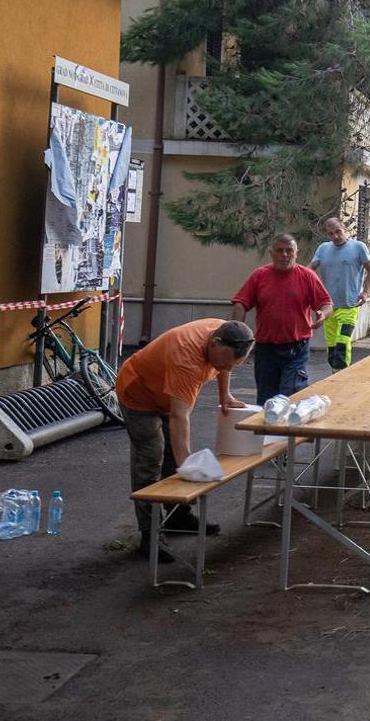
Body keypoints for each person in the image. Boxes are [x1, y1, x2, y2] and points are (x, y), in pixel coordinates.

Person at [115, 318, 254, 557]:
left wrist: (226, 395)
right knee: (151, 458)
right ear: (213, 344)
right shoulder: (187, 358)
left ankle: (177, 516)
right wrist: (187, 465)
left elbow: (222, 367)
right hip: (139, 394)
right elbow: (180, 417)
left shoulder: (227, 334)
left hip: (168, 394)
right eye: (225, 362)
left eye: (234, 365)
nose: (227, 369)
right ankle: (150, 536)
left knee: (171, 455)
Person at [232, 233, 332, 404]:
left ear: (296, 253)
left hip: (296, 349)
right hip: (266, 349)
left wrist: (323, 314)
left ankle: (289, 430)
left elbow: (326, 303)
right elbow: (241, 302)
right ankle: (267, 431)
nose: (284, 255)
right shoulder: (259, 276)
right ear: (271, 253)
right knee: (266, 399)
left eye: (289, 251)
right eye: (280, 251)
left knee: (290, 394)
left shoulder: (307, 276)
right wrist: (236, 330)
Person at [310, 215, 370, 370]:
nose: (335, 236)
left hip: (350, 304)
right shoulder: (323, 248)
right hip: (329, 307)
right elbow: (309, 270)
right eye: (331, 233)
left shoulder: (358, 247)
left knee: (342, 341)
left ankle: (341, 375)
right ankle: (336, 373)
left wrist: (366, 292)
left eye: (338, 231)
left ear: (345, 229)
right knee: (332, 346)